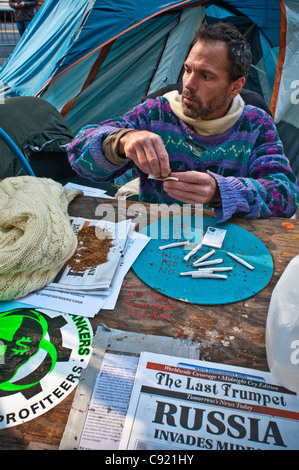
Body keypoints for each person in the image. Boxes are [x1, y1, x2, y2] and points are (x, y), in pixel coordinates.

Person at [67, 22, 299, 222]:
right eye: (188, 70)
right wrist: (121, 140)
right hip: (155, 235)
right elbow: (77, 155)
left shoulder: (255, 125)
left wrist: (220, 192)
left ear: (236, 86)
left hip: (226, 246)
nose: (188, 84)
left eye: (205, 76)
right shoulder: (156, 113)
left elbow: (286, 195)